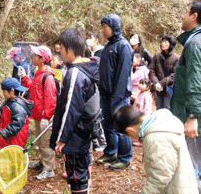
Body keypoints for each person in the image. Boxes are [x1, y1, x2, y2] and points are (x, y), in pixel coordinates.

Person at [50, 27, 100, 194]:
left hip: (75, 134)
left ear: (70, 49)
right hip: (83, 131)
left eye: (62, 49)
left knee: (76, 177)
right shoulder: (87, 68)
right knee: (81, 172)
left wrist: (62, 138)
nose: (60, 52)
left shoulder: (75, 74)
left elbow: (72, 107)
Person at [114, 105, 198, 194]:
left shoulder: (156, 139)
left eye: (128, 136)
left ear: (131, 131)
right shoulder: (159, 122)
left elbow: (161, 176)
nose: (130, 138)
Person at [96, 13, 133, 170]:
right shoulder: (109, 46)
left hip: (119, 95)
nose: (103, 30)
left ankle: (125, 157)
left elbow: (123, 74)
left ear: (114, 27)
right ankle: (111, 151)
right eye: (103, 27)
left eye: (106, 27)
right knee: (108, 125)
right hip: (106, 93)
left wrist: (117, 97)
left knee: (121, 128)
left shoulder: (123, 46)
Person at [170, 0, 201, 190]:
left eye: (185, 12)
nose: (183, 16)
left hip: (192, 117)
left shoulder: (195, 45)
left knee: (194, 165)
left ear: (194, 16)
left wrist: (193, 116)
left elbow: (195, 83)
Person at [18, 45, 57, 180]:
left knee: (46, 143)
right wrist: (24, 77)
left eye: (35, 55)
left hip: (45, 117)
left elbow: (51, 99)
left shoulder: (48, 77)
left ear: (42, 59)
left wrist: (47, 117)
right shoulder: (38, 73)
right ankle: (43, 162)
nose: (33, 57)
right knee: (40, 142)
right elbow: (33, 88)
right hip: (37, 114)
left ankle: (49, 168)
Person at [0, 77, 34, 149]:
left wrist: (5, 132)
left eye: (4, 92)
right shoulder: (9, 102)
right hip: (9, 139)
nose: (3, 94)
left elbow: (17, 123)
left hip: (15, 140)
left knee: (13, 157)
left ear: (12, 91)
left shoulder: (17, 105)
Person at [149, 34, 179, 109]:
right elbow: (151, 70)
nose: (162, 43)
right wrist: (156, 83)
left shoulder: (176, 58)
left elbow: (174, 74)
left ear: (171, 44)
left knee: (167, 110)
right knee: (158, 109)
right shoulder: (157, 56)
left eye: (166, 42)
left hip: (169, 90)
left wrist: (161, 84)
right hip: (158, 90)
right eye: (162, 42)